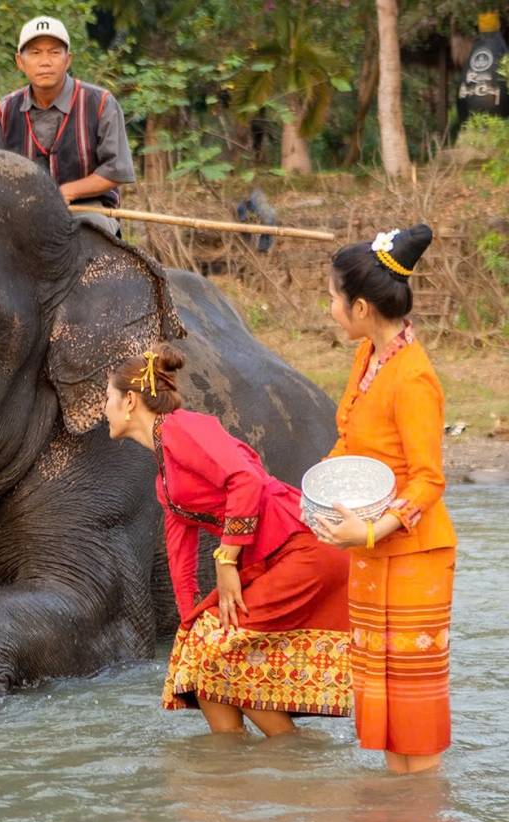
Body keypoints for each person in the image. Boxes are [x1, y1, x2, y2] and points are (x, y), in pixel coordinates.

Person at [105, 345, 353, 736]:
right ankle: (233, 773)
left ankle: (289, 749)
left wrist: (225, 560)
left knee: (211, 651)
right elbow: (180, 560)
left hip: (302, 547)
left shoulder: (182, 428)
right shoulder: (165, 479)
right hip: (275, 556)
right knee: (198, 662)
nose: (104, 408)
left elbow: (246, 480)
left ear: (130, 401)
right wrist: (187, 627)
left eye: (108, 398)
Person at [311, 224, 455, 775]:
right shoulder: (369, 359)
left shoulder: (413, 378)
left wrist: (370, 531)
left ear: (363, 307)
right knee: (387, 707)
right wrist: (318, 484)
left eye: (333, 299)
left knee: (413, 716)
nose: (330, 309)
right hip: (371, 551)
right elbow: (352, 440)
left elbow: (427, 481)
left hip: (413, 556)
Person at [0, 15, 135, 234]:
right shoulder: (5, 111)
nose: (45, 61)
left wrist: (68, 192)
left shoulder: (100, 103)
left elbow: (116, 169)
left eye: (54, 52)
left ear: (68, 59)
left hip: (86, 212)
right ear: (20, 62)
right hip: (24, 213)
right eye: (35, 53)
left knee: (90, 237)